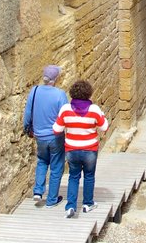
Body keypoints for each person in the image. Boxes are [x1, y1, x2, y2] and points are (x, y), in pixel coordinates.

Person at [53, 79, 109, 219]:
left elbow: (56, 129)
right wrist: (100, 116)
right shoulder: (94, 109)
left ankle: (71, 206)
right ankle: (87, 204)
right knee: (89, 176)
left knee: (73, 177)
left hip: (72, 149)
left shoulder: (65, 109)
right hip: (89, 149)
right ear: (88, 93)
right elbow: (104, 127)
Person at [22, 65, 69, 207]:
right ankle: (52, 199)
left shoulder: (34, 91)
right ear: (56, 78)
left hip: (39, 136)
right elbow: (65, 115)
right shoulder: (60, 94)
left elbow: (28, 114)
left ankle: (38, 191)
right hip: (56, 136)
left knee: (42, 161)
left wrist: (27, 129)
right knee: (56, 166)